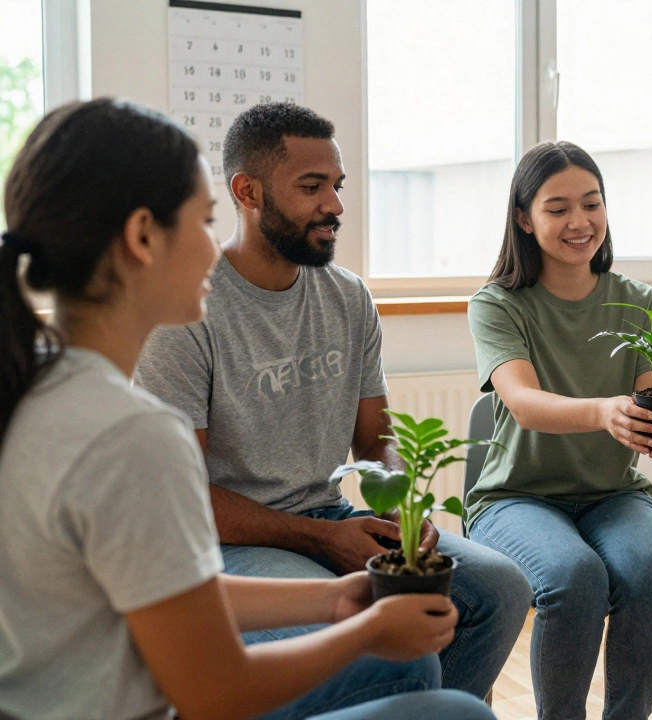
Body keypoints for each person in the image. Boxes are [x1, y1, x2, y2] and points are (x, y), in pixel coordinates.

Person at [0, 98, 494, 720]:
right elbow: (215, 692)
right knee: (456, 714)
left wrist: (335, 601)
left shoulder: (38, 390)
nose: (213, 249)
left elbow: (176, 597)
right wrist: (366, 631)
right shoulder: (131, 435)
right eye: (204, 221)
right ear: (142, 237)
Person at [133, 103, 531, 711]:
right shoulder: (188, 312)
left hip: (330, 518)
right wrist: (322, 542)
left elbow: (375, 439)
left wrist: (401, 506)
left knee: (499, 589)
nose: (336, 206)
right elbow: (186, 498)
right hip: (232, 545)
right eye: (312, 187)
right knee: (396, 653)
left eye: (337, 186)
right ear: (248, 192)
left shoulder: (348, 297)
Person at [466, 140, 652, 720]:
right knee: (573, 577)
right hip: (517, 499)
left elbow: (651, 395)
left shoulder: (637, 300)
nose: (579, 221)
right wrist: (604, 411)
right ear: (523, 218)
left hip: (613, 496)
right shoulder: (498, 303)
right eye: (557, 208)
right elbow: (525, 401)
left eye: (592, 203)